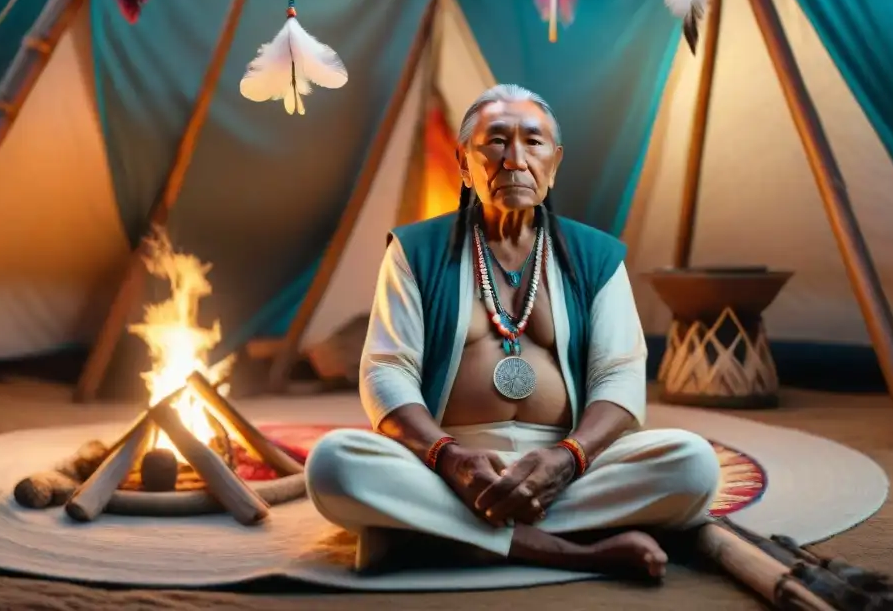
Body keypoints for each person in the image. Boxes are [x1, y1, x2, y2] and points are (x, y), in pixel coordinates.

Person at [306, 84, 721, 579]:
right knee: (334, 464)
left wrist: (567, 458)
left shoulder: (598, 257)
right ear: (464, 163)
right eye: (495, 142)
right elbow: (386, 372)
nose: (515, 159)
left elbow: (620, 377)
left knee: (693, 464)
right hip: (446, 465)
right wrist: (451, 459)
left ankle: (440, 535)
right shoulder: (415, 251)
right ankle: (575, 550)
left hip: (567, 465)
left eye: (533, 142)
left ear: (555, 161)